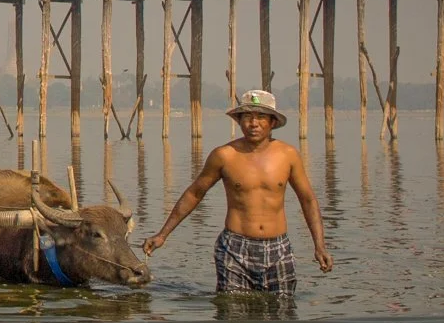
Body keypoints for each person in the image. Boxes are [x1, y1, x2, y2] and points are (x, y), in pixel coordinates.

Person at [142, 89, 333, 296]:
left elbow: (308, 200)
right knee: (234, 316)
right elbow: (194, 194)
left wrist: (319, 246)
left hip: (277, 248)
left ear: (273, 122)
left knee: (282, 314)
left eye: (261, 117)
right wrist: (162, 235)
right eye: (247, 117)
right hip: (235, 247)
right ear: (240, 121)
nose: (253, 123)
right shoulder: (224, 155)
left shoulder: (288, 155)